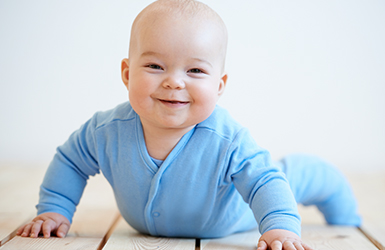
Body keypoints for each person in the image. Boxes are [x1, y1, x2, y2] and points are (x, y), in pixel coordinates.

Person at [16, 0, 361, 249]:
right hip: (147, 226)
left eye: (195, 70)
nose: (174, 82)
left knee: (289, 176)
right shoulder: (106, 131)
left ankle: (340, 202)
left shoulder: (227, 140)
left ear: (220, 85)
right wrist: (54, 210)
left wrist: (281, 228)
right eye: (154, 66)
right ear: (126, 73)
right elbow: (70, 161)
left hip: (233, 216)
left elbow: (263, 182)